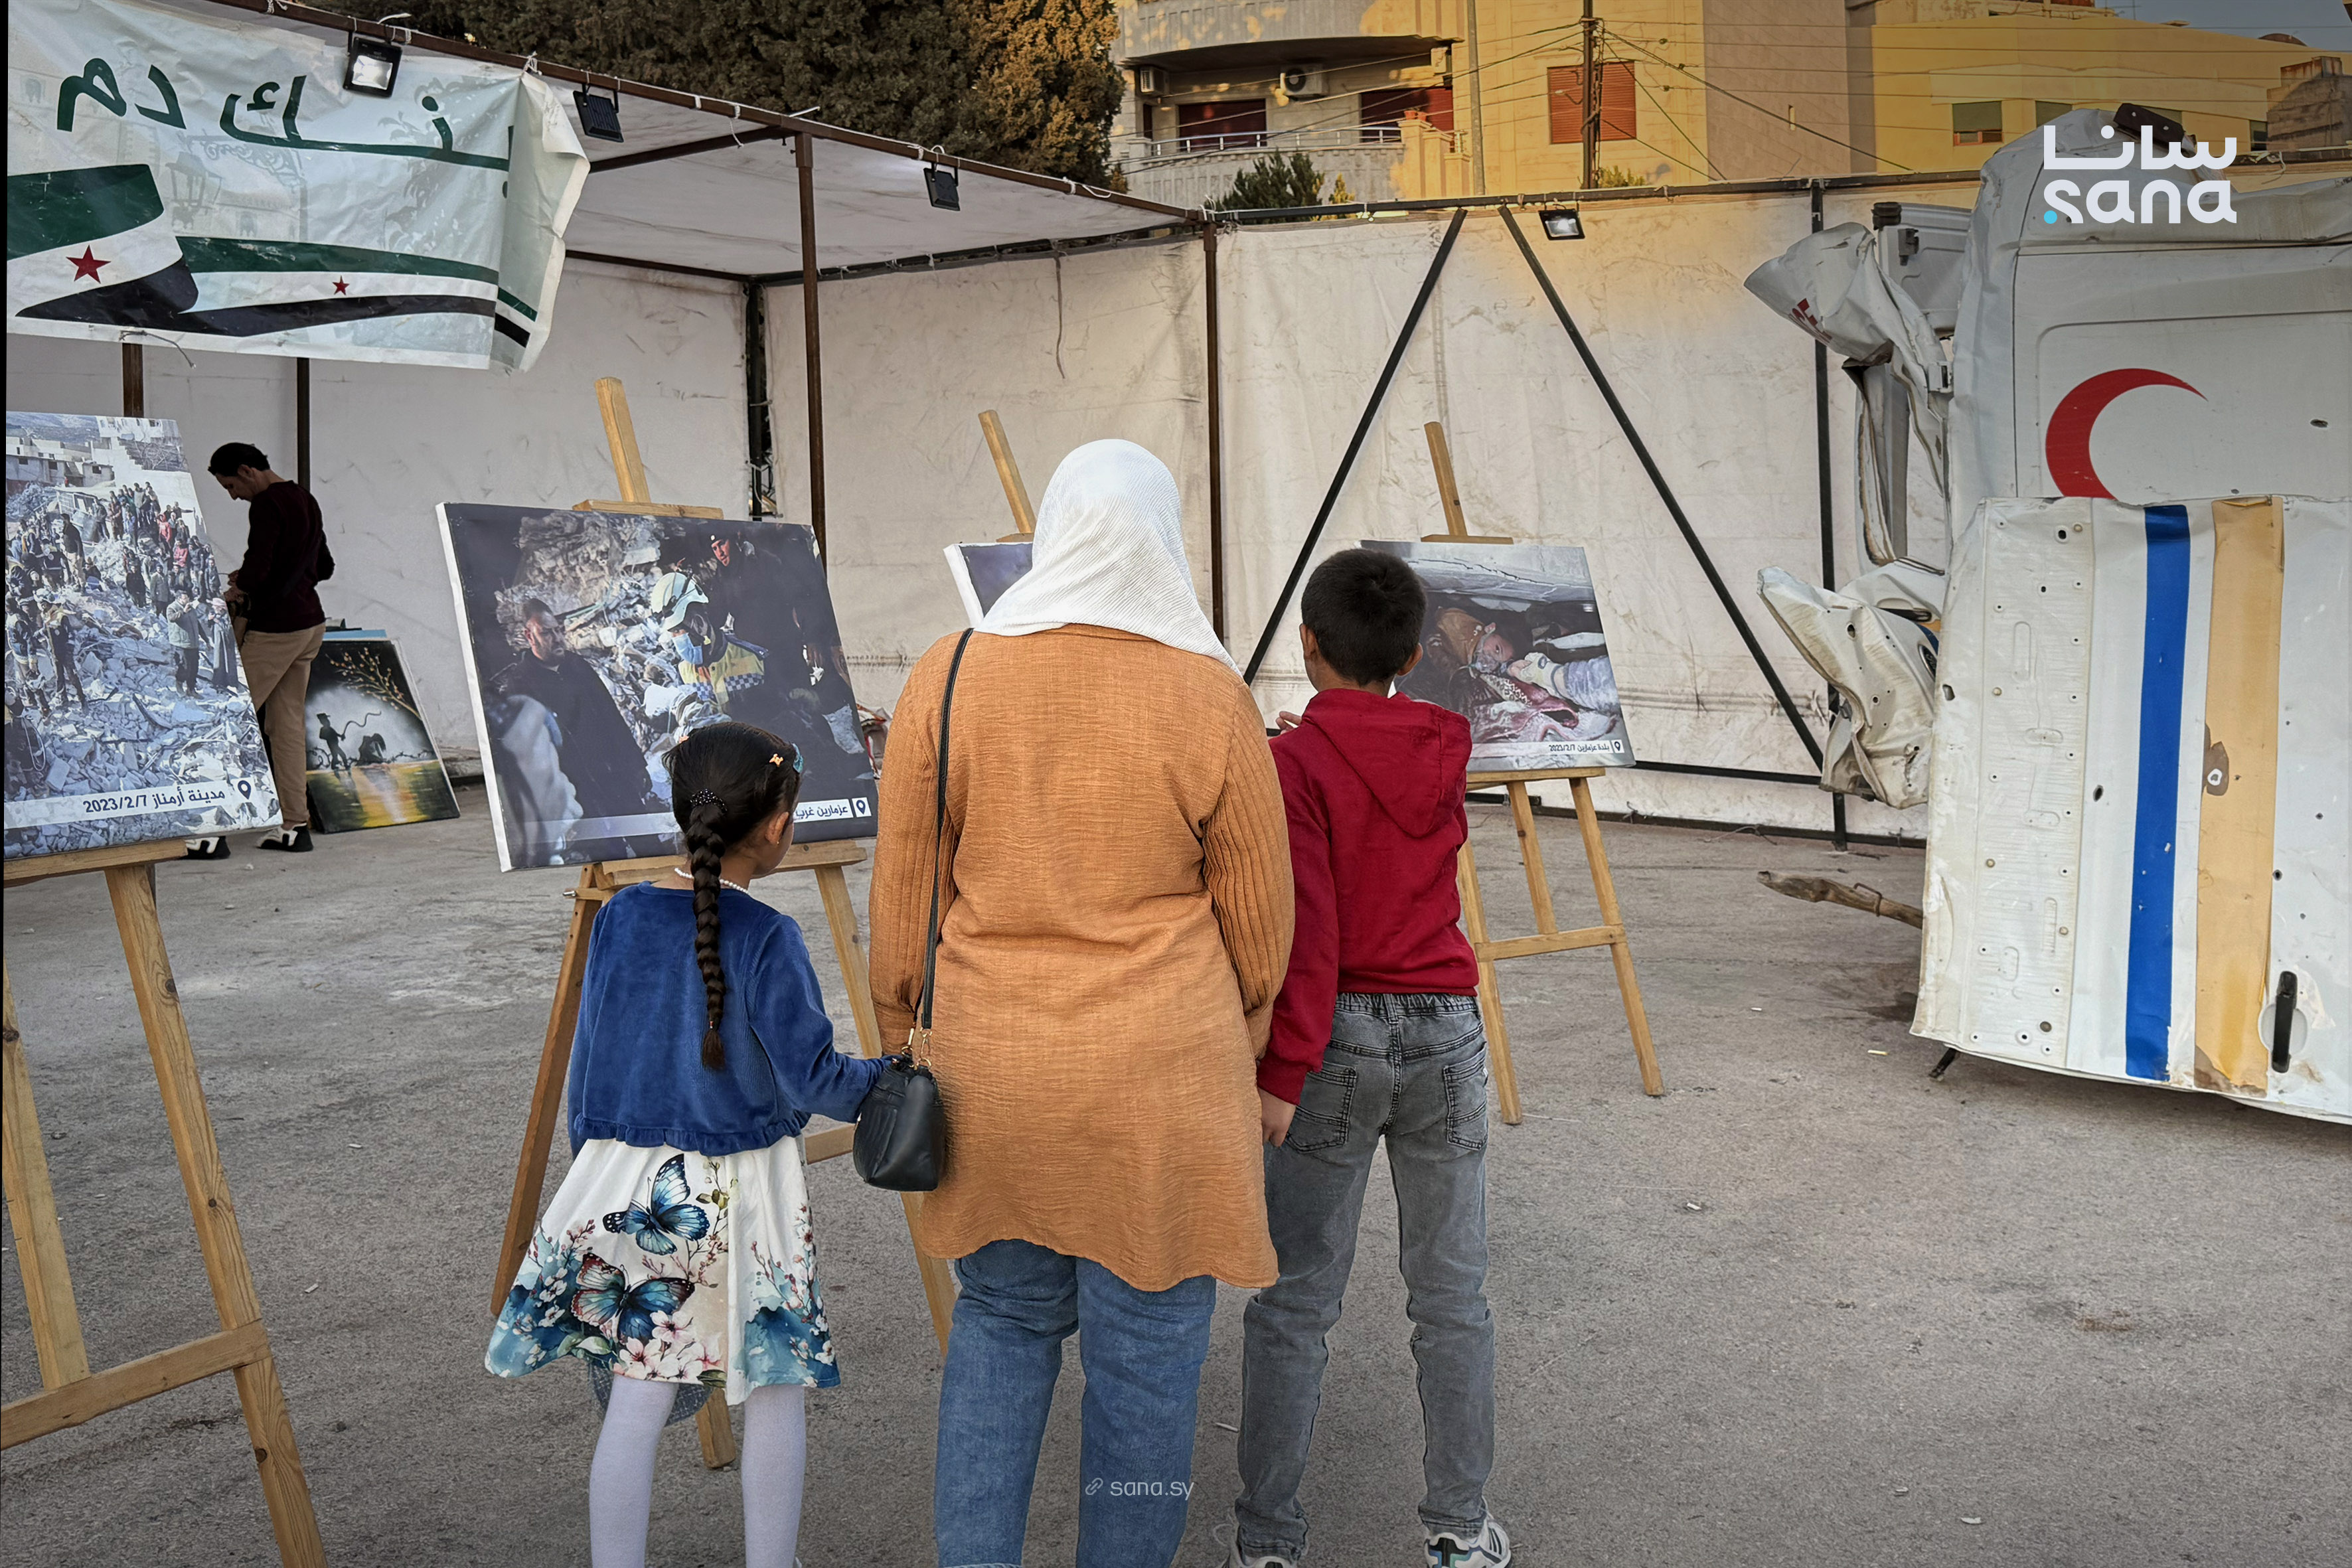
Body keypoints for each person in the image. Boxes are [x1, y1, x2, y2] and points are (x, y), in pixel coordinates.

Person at [866, 439, 1294, 1568]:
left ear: (1051, 534)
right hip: (1163, 1080)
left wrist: (903, 1032)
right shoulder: (1210, 694)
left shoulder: (948, 672)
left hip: (992, 1076)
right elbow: (1260, 931)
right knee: (1147, 1362)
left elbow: (904, 903)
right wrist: (1239, 1043)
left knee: (999, 1327)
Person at [485, 722, 884, 1568]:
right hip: (749, 1190)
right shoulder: (769, 936)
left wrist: (594, 1173)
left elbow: (588, 1071)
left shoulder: (621, 914)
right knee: (773, 1382)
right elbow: (816, 1080)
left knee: (638, 1395)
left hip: (630, 1185)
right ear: (778, 825)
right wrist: (898, 1077)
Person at [1232, 549, 1510, 1568]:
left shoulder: (1294, 765)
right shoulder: (1445, 742)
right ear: (1409, 653)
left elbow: (1309, 936)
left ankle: (1267, 1539)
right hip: (1446, 1032)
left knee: (1296, 1300)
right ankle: (1459, 1527)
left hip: (1336, 1039)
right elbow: (1397, 836)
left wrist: (1279, 1074)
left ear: (1307, 643)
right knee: (1450, 1295)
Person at [209, 441, 334, 852]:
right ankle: (294, 826)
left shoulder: (265, 504)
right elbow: (324, 567)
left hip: (276, 630)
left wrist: (239, 585)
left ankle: (209, 831)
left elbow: (259, 571)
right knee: (286, 726)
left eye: (231, 486)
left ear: (247, 471)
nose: (233, 496)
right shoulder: (304, 498)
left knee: (230, 721)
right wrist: (258, 575)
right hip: (310, 625)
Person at [493, 599, 654, 826]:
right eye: (546, 633)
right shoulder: (520, 685)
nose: (557, 638)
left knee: (642, 835)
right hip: (577, 791)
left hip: (615, 775)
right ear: (529, 636)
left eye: (558, 630)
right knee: (601, 845)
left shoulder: (578, 666)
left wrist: (636, 765)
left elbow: (611, 716)